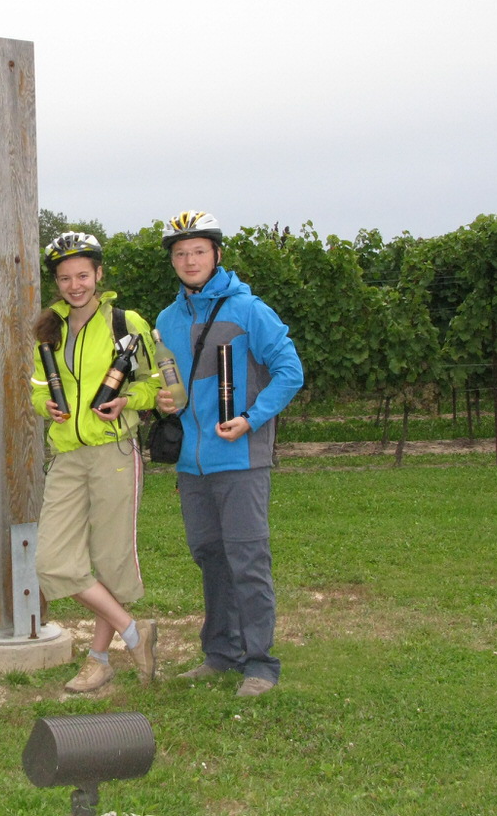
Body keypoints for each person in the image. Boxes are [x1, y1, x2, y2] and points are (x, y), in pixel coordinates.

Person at [154, 211, 304, 697]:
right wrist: (160, 399)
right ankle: (221, 654)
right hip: (192, 465)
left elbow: (290, 372)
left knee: (248, 561)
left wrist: (252, 419)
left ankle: (260, 665)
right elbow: (166, 384)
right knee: (211, 559)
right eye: (180, 253)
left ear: (216, 255)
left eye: (198, 251)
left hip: (240, 460)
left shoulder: (249, 310)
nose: (189, 260)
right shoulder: (167, 320)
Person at [30, 231, 160, 693]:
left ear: (98, 274)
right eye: (65, 278)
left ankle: (99, 659)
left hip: (114, 452)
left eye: (83, 275)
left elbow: (154, 383)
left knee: (110, 561)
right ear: (57, 282)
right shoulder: (49, 328)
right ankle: (134, 632)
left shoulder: (127, 322)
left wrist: (128, 400)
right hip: (67, 454)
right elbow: (38, 386)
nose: (75, 285)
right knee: (52, 561)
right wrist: (44, 405)